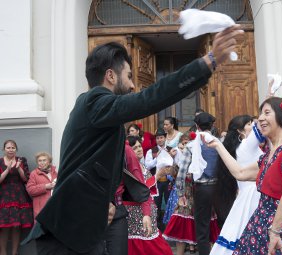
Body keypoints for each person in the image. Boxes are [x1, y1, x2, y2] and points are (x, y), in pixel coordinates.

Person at [24, 25, 243, 254]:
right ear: (110, 75)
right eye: (128, 76)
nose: (132, 85)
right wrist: (207, 62)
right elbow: (149, 98)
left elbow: (93, 165)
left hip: (83, 225)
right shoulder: (94, 102)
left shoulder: (98, 111)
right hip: (69, 230)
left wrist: (106, 200)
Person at [204, 97, 282, 255]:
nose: (260, 118)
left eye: (267, 113)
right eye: (260, 114)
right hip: (261, 224)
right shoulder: (271, 153)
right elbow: (240, 173)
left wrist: (275, 231)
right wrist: (217, 145)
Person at [210, 115, 263, 255]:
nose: (253, 125)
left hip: (246, 194)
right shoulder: (247, 145)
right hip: (255, 194)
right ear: (240, 130)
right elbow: (262, 127)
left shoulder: (238, 148)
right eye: (249, 123)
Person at [176, 112, 221, 255]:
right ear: (212, 125)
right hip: (220, 189)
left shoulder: (190, 146)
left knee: (202, 228)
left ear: (196, 126)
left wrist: (180, 193)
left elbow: (182, 172)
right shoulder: (219, 143)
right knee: (221, 225)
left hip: (202, 189)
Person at [124, 136, 172, 255]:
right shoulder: (129, 168)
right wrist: (157, 175)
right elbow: (140, 189)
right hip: (136, 213)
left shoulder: (142, 165)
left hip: (147, 210)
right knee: (148, 245)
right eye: (134, 148)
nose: (139, 149)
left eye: (140, 146)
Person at [0, 139, 33, 255]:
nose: (11, 150)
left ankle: (15, 253)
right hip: (4, 196)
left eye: (13, 148)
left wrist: (19, 168)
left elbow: (26, 180)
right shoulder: (0, 162)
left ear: (16, 149)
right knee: (4, 226)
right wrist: (7, 169)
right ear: (4, 149)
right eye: (8, 147)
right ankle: (2, 252)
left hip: (19, 196)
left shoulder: (22, 160)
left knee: (16, 226)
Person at [145, 128, 171, 229]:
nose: (159, 140)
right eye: (158, 138)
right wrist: (157, 158)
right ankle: (156, 227)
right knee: (156, 204)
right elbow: (147, 166)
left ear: (165, 138)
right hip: (156, 182)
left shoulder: (171, 149)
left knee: (169, 204)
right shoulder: (151, 151)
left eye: (161, 138)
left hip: (169, 181)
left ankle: (168, 228)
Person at [26, 152, 58, 221]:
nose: (42, 162)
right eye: (39, 161)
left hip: (54, 208)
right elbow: (30, 190)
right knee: (41, 230)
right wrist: (45, 187)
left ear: (49, 161)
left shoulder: (56, 173)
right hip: (40, 210)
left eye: (44, 160)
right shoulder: (34, 174)